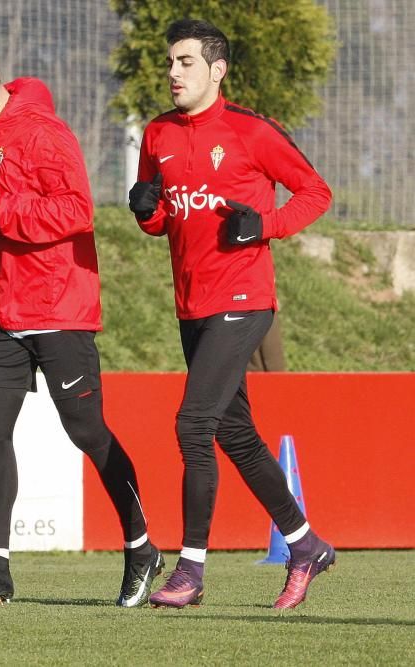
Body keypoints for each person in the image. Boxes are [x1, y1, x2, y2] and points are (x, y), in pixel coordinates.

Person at [0, 37, 162, 607]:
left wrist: (1, 213)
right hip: (0, 311)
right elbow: (7, 216)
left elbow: (76, 211)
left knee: (86, 431)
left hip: (59, 308)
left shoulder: (45, 133)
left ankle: (142, 547)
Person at [127, 19, 334, 610]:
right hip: (191, 305)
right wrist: (145, 210)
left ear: (217, 70)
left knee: (193, 425)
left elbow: (316, 192)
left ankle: (189, 571)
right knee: (235, 435)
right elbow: (160, 215)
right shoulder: (157, 134)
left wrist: (263, 226)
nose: (172, 73)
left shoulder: (251, 131)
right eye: (170, 62)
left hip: (244, 301)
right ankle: (306, 546)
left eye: (185, 63)